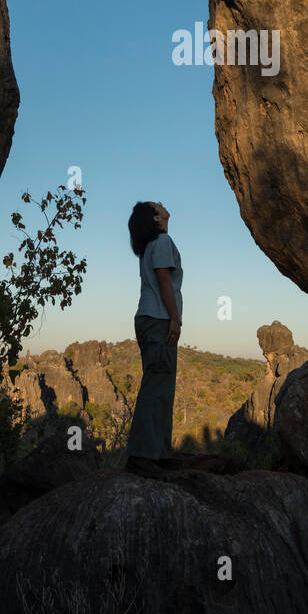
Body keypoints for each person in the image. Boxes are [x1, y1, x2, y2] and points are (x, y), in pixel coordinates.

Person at [125, 200, 183, 478]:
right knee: (157, 386)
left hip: (150, 319)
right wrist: (175, 318)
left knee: (160, 385)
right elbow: (163, 281)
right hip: (159, 319)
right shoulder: (161, 241)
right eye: (157, 206)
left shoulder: (152, 243)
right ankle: (143, 455)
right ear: (156, 218)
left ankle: (157, 453)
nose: (162, 204)